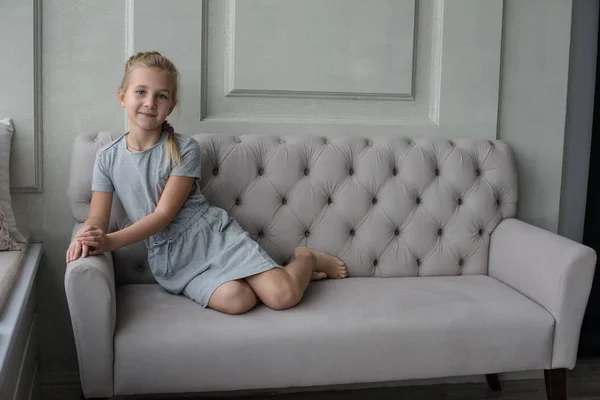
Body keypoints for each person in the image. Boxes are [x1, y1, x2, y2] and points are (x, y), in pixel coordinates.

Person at [65, 51, 348, 315]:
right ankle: (269, 278)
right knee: (239, 301)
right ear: (122, 96)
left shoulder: (184, 149)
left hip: (212, 238)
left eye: (161, 96)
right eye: (141, 92)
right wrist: (87, 238)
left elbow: (163, 215)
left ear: (170, 106)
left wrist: (110, 242)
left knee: (282, 296)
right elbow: (97, 217)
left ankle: (305, 258)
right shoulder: (106, 158)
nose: (150, 102)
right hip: (173, 257)